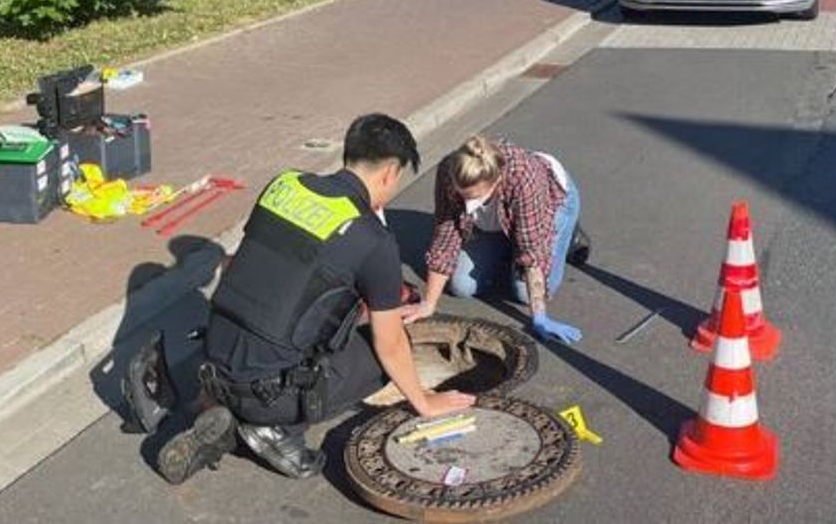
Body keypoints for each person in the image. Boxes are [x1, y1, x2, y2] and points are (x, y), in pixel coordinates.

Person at [157, 114, 475, 485]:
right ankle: (274, 429)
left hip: (213, 361)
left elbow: (238, 267)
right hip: (268, 394)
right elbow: (388, 344)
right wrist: (423, 400)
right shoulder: (373, 239)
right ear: (390, 172)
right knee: (386, 348)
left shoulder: (285, 185)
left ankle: (219, 408)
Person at [401, 135, 590, 344]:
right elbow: (446, 237)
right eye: (461, 196)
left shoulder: (526, 179)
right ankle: (509, 239)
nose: (466, 204)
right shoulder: (449, 170)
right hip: (495, 216)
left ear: (497, 181)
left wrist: (539, 317)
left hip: (551, 203)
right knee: (462, 286)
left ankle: (568, 235)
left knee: (523, 293)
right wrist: (429, 303)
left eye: (474, 197)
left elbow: (532, 252)